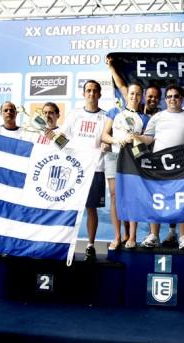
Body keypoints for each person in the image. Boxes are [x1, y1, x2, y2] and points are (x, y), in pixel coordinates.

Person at [136, 85, 184, 250]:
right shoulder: (157, 117)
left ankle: (182, 237)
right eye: (169, 96)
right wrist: (136, 137)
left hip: (182, 167)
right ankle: (154, 235)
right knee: (157, 199)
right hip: (159, 166)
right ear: (165, 99)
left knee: (181, 201)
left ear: (181, 98)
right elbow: (149, 138)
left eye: (176, 96)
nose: (172, 99)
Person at [62, 80, 108, 262]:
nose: (91, 94)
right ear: (83, 93)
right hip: (75, 168)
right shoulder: (75, 115)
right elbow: (61, 138)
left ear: (99, 94)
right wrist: (63, 151)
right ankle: (65, 243)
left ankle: (90, 244)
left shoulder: (105, 117)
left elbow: (108, 142)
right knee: (70, 208)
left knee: (91, 209)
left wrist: (107, 146)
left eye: (95, 91)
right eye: (88, 90)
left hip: (96, 168)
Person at [101, 83, 144, 250]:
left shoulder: (143, 117)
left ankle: (132, 236)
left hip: (133, 158)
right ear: (127, 95)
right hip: (114, 156)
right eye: (132, 93)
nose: (134, 97)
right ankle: (117, 236)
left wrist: (134, 140)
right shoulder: (114, 111)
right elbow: (104, 135)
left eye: (138, 94)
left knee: (132, 196)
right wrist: (115, 141)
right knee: (114, 196)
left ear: (141, 97)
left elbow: (144, 143)